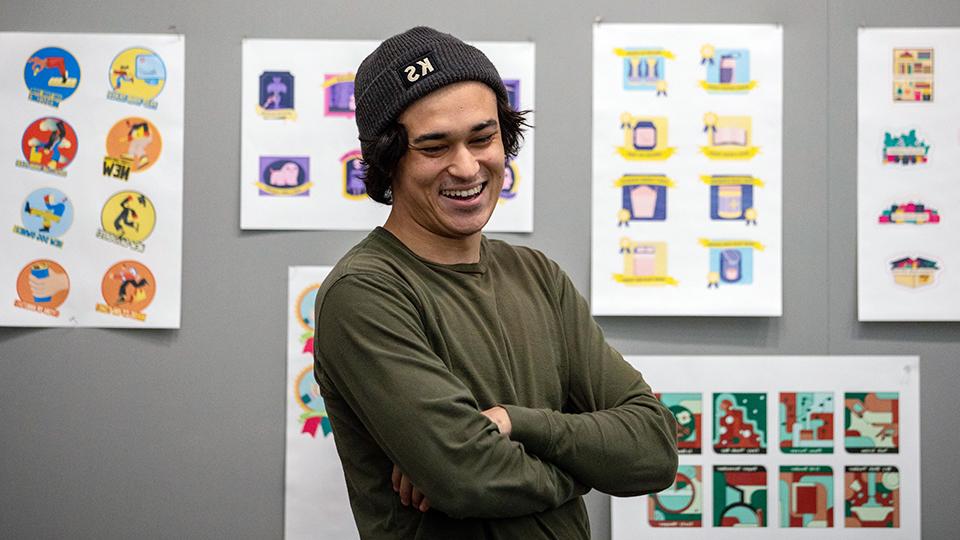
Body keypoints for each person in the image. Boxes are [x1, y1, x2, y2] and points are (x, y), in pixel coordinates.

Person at [313, 26, 678, 539]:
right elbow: (469, 478)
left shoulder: (538, 275)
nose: (467, 167)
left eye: (483, 138)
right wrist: (587, 469)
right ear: (388, 159)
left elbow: (654, 447)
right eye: (435, 147)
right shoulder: (366, 293)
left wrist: (516, 423)